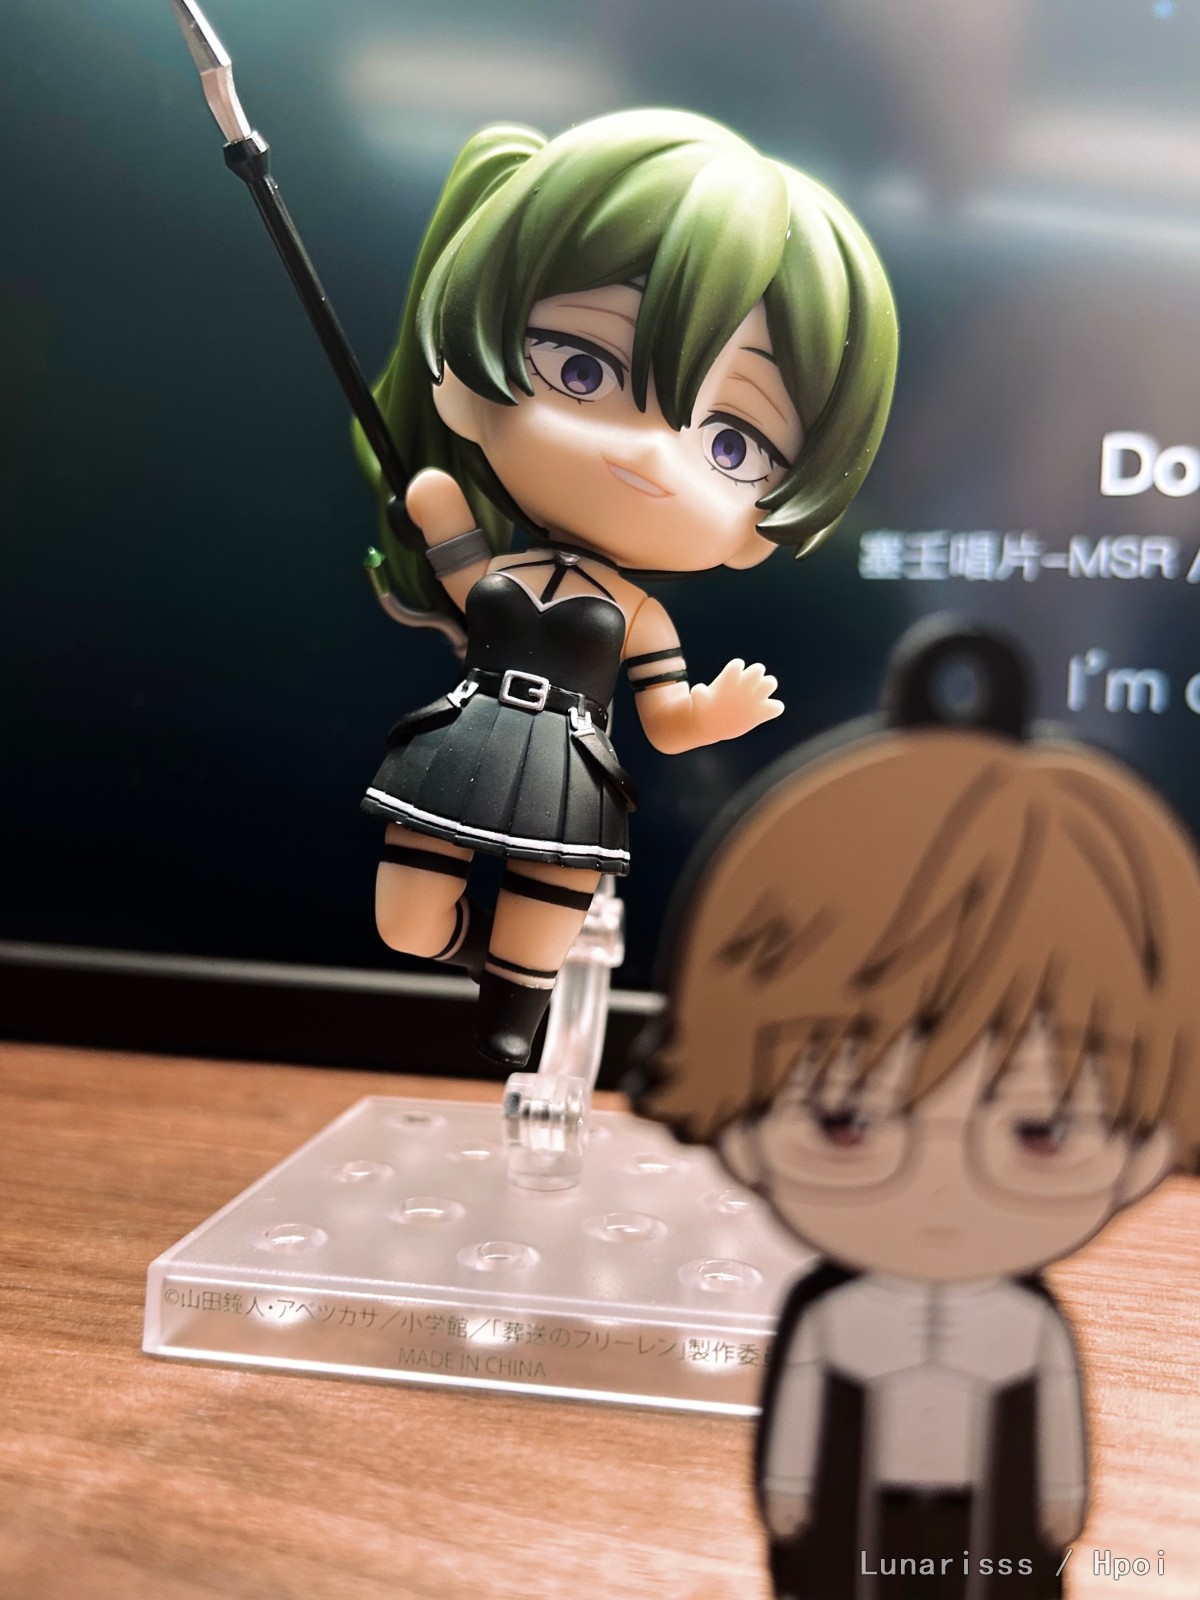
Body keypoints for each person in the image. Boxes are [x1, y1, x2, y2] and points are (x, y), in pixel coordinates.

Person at [631, 660, 1200, 1599]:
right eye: (845, 1122)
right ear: (737, 1117)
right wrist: (786, 1493)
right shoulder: (833, 1319)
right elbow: (801, 1411)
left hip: (998, 1538)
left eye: (1042, 1132)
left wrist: (1061, 1506)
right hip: (845, 1535)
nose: (939, 1188)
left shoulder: (1028, 1328)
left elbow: (1056, 1430)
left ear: (1148, 1144)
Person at [354, 109, 898, 1071]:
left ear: (762, 522)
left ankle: (514, 996)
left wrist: (717, 712)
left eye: (732, 444)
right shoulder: (506, 574)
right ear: (468, 382)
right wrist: (438, 515)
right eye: (583, 366)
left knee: (537, 935)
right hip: (464, 742)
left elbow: (667, 722)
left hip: (568, 772)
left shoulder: (641, 617)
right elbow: (461, 577)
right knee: (406, 920)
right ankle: (475, 960)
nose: (649, 455)